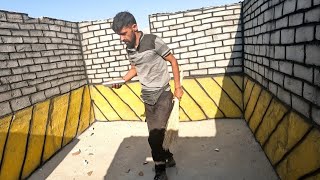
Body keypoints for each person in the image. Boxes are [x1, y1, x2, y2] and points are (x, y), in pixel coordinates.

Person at [111, 11, 183, 180]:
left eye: (123, 33)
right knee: (158, 133)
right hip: (147, 97)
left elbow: (173, 60)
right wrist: (122, 80)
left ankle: (160, 171)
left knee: (154, 136)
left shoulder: (153, 41)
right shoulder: (129, 48)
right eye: (119, 35)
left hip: (163, 94)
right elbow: (136, 68)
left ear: (134, 27)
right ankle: (169, 157)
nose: (121, 38)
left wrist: (178, 87)